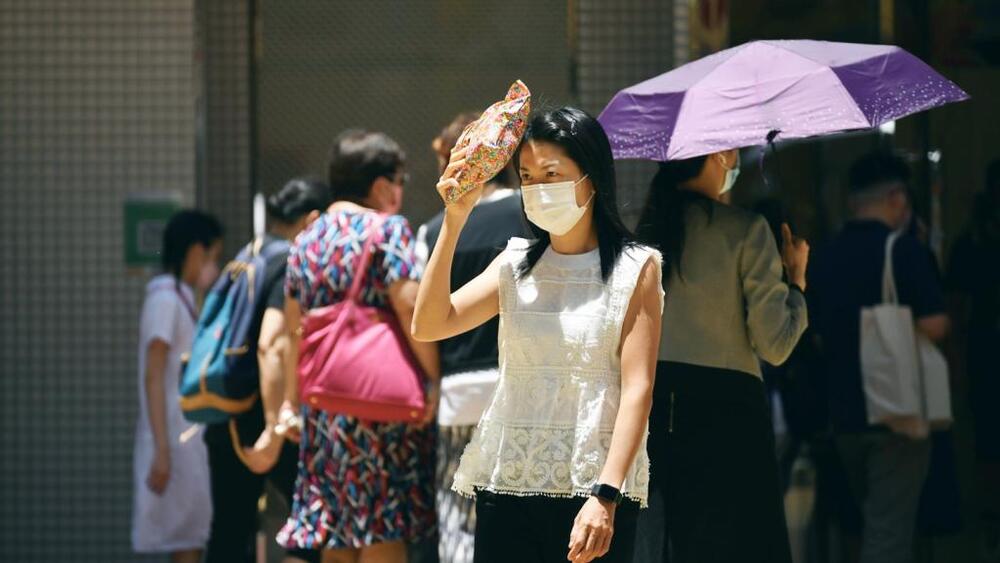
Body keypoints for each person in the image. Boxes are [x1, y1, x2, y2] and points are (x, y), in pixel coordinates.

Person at [413, 107, 664, 563]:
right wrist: (453, 221)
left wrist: (605, 496)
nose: (538, 188)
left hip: (592, 491)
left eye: (552, 173)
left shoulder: (636, 268)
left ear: (592, 177)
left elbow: (638, 389)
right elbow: (429, 324)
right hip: (508, 480)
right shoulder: (514, 264)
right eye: (527, 176)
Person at [635, 150, 809, 563]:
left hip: (652, 413)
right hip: (729, 415)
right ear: (721, 155)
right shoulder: (745, 230)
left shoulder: (642, 237)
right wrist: (797, 285)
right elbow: (776, 345)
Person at [276, 130, 440, 563]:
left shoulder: (305, 241)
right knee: (382, 524)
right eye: (400, 181)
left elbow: (295, 328)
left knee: (338, 527)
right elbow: (410, 309)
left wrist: (292, 402)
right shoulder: (388, 230)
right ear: (382, 186)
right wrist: (434, 379)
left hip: (324, 407)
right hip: (380, 404)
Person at [811, 151, 949, 563]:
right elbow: (937, 324)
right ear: (896, 197)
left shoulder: (825, 255)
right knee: (888, 533)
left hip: (844, 414)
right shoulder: (902, 250)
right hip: (896, 413)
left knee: (865, 522)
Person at [414, 111, 529, 563]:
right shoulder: (529, 214)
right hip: (515, 384)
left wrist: (433, 380)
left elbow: (423, 318)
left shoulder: (431, 231)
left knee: (458, 513)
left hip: (458, 388)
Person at [203, 179, 328, 563]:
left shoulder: (244, 257)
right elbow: (271, 343)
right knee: (310, 525)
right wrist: (275, 428)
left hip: (226, 413)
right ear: (312, 220)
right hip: (263, 419)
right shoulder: (289, 260)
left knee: (229, 532)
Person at [132, 209, 222, 562]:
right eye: (212, 256)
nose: (212, 266)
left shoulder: (179, 296)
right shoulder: (165, 300)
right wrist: (162, 448)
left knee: (189, 537)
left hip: (181, 436)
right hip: (171, 437)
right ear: (196, 250)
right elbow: (153, 375)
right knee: (184, 540)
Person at [946, 157, 1000, 560]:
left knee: (987, 444)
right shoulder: (974, 241)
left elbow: (956, 309)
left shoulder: (971, 241)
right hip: (983, 350)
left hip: (984, 352)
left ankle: (991, 522)